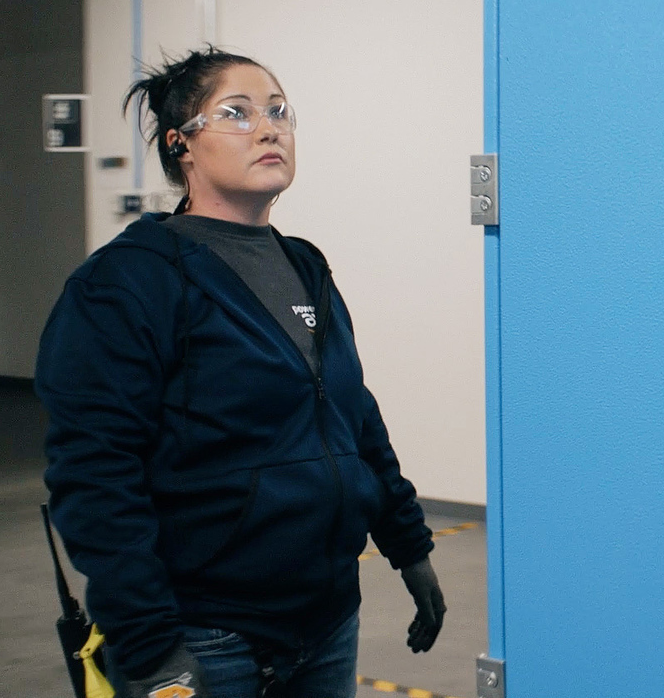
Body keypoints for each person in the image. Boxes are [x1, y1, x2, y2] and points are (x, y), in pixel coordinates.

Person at [38, 48, 446, 698]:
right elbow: (94, 472)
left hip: (328, 616)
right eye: (237, 112)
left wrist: (410, 549)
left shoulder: (306, 266)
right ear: (182, 145)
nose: (269, 127)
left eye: (280, 111)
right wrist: (148, 642)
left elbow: (353, 416)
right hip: (207, 633)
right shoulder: (127, 283)